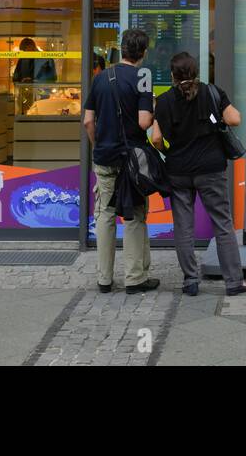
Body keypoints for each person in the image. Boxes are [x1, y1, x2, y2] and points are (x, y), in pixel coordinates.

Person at [150, 52, 246, 297]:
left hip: (178, 171)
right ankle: (234, 282)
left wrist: (167, 150)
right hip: (211, 169)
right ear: (196, 72)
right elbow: (235, 119)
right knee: (223, 224)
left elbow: (155, 138)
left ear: (172, 76)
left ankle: (190, 281)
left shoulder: (163, 102)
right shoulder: (212, 92)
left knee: (183, 226)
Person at [83, 28, 158, 294]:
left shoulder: (101, 78)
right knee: (135, 215)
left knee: (105, 215)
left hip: (105, 157)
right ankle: (135, 278)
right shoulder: (143, 77)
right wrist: (154, 109)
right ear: (143, 53)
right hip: (132, 160)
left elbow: (88, 121)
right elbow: (143, 121)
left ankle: (104, 279)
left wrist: (98, 145)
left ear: (122, 49)